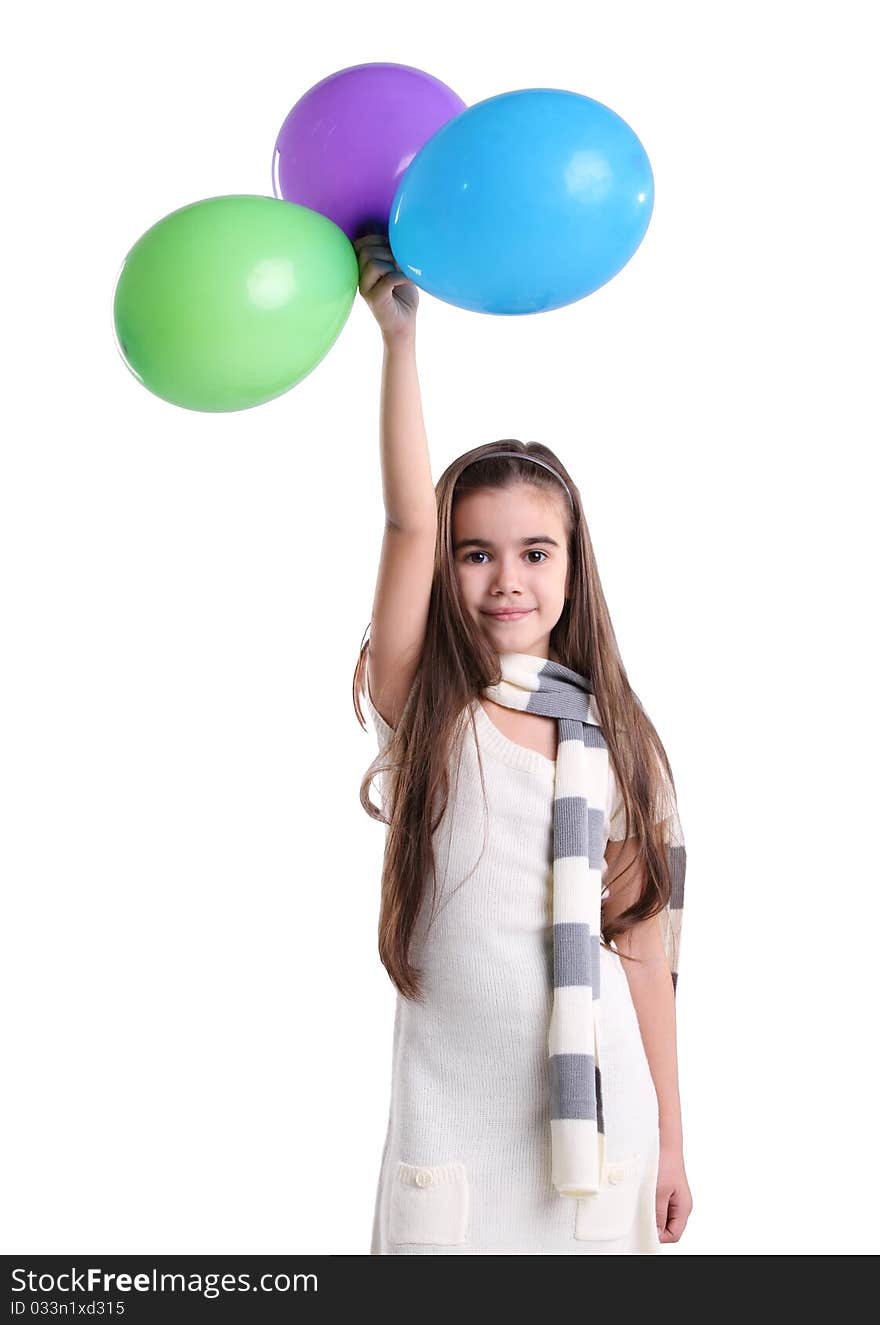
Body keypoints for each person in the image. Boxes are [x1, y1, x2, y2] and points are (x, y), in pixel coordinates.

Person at [351, 232, 693, 1255]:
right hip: (457, 1131)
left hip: (599, 1132)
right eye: (475, 553)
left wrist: (673, 1139)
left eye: (533, 551)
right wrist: (399, 338)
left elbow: (644, 951)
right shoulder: (428, 709)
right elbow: (408, 520)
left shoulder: (621, 740)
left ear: (570, 564)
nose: (506, 576)